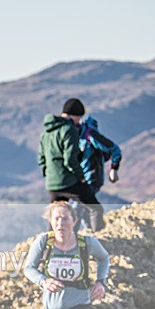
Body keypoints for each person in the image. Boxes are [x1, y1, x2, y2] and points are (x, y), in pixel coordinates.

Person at [39, 98, 105, 232]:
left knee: (55, 216)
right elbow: (70, 159)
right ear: (74, 115)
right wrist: (80, 176)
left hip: (52, 183)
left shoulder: (46, 131)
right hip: (68, 182)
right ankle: (97, 243)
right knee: (95, 208)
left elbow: (42, 159)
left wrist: (49, 176)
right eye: (79, 118)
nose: (79, 122)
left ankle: (50, 248)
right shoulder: (69, 130)